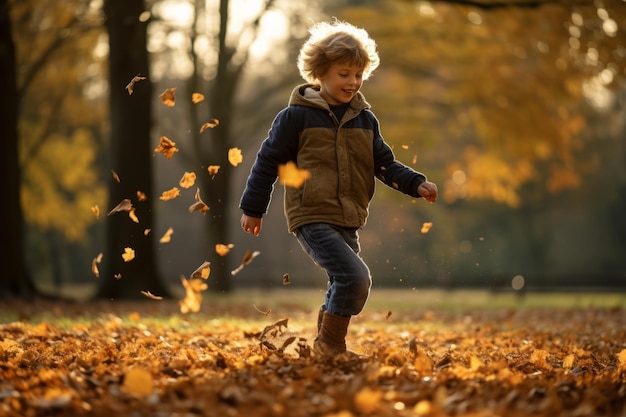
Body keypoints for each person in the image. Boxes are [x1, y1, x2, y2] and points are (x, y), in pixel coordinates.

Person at [239, 19, 438, 358]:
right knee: (355, 278)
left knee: (341, 281)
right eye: (344, 73)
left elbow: (384, 164)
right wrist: (253, 208)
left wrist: (416, 183)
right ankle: (331, 346)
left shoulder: (365, 119)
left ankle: (324, 349)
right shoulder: (295, 117)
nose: (352, 82)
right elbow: (268, 161)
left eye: (358, 74)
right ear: (320, 72)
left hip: (348, 216)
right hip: (312, 214)